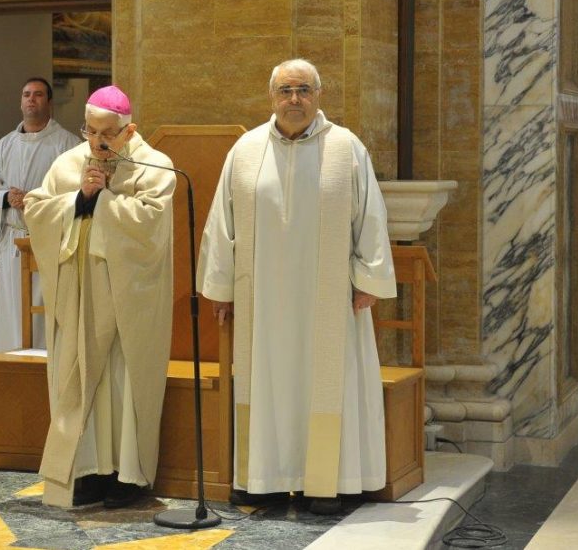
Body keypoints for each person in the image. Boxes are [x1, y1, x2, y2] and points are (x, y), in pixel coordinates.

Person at [197, 58, 396, 515]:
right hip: (261, 299)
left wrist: (368, 278)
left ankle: (326, 482)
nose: (294, 99)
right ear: (272, 96)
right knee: (264, 382)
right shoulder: (246, 150)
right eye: (286, 90)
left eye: (303, 90)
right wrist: (222, 286)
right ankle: (263, 479)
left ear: (318, 96)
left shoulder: (345, 148)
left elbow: (371, 216)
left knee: (325, 381)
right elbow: (221, 222)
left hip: (328, 298)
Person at [22, 85, 176, 509]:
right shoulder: (68, 163)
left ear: (130, 130)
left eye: (107, 133)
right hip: (79, 296)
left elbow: (150, 225)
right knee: (81, 375)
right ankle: (89, 470)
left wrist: (103, 201)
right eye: (90, 131)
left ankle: (129, 475)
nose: (97, 141)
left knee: (123, 381)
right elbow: (36, 209)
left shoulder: (154, 167)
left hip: (129, 299)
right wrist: (80, 198)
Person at [0, 77, 81, 354]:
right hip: (13, 245)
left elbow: (76, 195)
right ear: (20, 102)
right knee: (12, 315)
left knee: (45, 318)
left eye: (38, 94)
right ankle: (10, 369)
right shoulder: (4, 146)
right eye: (26, 94)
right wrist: (6, 198)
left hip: (50, 243)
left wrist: (37, 203)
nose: (31, 99)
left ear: (49, 102)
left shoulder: (68, 145)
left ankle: (46, 372)